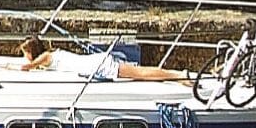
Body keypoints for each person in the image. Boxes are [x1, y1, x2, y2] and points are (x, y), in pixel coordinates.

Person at [19, 34, 187, 83]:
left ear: (31, 51)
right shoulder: (50, 54)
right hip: (95, 64)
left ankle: (178, 75)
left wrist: (5, 66)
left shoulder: (46, 57)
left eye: (24, 52)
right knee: (139, 73)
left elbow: (26, 68)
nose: (24, 57)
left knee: (140, 73)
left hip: (97, 66)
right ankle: (175, 75)